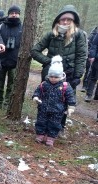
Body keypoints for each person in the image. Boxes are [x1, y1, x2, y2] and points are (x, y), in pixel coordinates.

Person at [31, 5, 87, 136]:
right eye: (63, 19)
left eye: (69, 19)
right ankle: (42, 126)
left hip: (68, 75)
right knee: (45, 100)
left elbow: (81, 56)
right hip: (50, 75)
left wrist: (78, 75)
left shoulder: (79, 35)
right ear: (58, 20)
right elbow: (34, 51)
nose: (66, 22)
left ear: (73, 21)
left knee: (64, 101)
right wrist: (49, 62)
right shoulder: (51, 34)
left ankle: (59, 127)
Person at [32, 55, 76, 147]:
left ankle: (51, 137)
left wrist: (71, 107)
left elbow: (70, 97)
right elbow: (37, 92)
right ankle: (40, 134)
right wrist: (36, 97)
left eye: (56, 77)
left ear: (60, 76)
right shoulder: (44, 84)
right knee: (41, 121)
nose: (53, 78)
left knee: (54, 124)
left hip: (57, 111)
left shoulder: (65, 86)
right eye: (51, 76)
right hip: (43, 108)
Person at [0, 5, 22, 108]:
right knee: (0, 83)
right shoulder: (2, 26)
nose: (14, 15)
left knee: (11, 84)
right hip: (1, 59)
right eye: (12, 13)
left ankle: (7, 102)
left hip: (14, 60)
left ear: (19, 14)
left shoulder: (23, 27)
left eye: (16, 13)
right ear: (9, 14)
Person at [82, 26, 98, 91]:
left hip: (92, 55)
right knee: (89, 71)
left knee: (90, 72)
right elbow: (91, 45)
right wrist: (91, 55)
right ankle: (85, 86)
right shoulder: (93, 34)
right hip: (92, 55)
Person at [85, 31, 98, 102]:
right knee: (93, 77)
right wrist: (92, 56)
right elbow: (94, 45)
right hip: (97, 59)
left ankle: (96, 96)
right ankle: (89, 95)